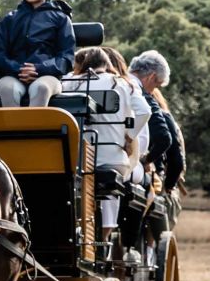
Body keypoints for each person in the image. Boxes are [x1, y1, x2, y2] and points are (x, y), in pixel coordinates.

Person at [63, 47, 135, 236]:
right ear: (106, 63)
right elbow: (132, 118)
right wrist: (128, 138)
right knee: (112, 189)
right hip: (110, 155)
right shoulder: (119, 84)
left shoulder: (68, 82)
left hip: (75, 157)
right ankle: (105, 237)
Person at [0, 0, 75, 107]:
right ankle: (13, 129)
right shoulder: (10, 20)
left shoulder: (61, 18)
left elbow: (67, 58)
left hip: (48, 76)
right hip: (11, 75)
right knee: (8, 89)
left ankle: (37, 129)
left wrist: (39, 69)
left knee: (41, 88)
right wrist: (19, 69)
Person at [130, 51, 185, 194]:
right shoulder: (144, 98)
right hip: (132, 169)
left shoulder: (114, 83)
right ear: (152, 77)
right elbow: (164, 139)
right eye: (157, 86)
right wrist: (146, 160)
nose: (154, 92)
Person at [102, 46, 151, 181]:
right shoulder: (127, 86)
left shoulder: (75, 83)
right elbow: (145, 114)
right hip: (118, 157)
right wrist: (129, 138)